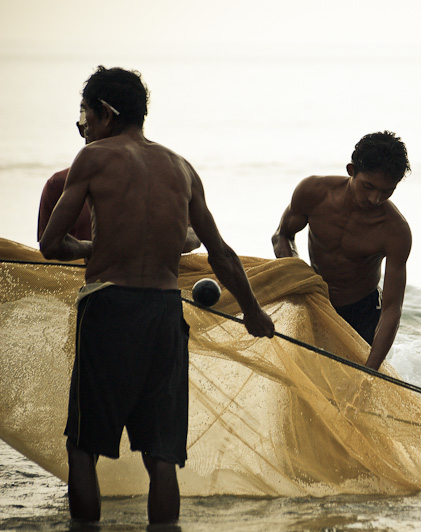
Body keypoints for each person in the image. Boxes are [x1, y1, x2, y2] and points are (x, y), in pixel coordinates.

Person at [39, 66, 275, 525]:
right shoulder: (182, 168)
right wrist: (253, 312)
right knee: (161, 455)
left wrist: (92, 247)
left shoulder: (93, 158)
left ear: (106, 113)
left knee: (83, 447)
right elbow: (221, 254)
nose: (84, 128)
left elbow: (51, 244)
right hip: (165, 314)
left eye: (85, 117)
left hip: (109, 307)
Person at [272, 131, 412, 370]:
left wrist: (372, 367)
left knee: (350, 387)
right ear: (351, 170)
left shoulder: (395, 231)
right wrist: (298, 275)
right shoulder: (313, 192)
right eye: (368, 186)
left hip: (362, 312)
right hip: (312, 301)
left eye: (387, 191)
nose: (375, 198)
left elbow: (392, 308)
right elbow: (282, 235)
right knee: (303, 375)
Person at [38, 116, 201, 252]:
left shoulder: (160, 176)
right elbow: (49, 247)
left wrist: (141, 244)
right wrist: (96, 248)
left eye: (90, 127)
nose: (88, 135)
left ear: (108, 121)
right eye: (83, 128)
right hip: (84, 280)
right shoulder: (58, 184)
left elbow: (195, 235)